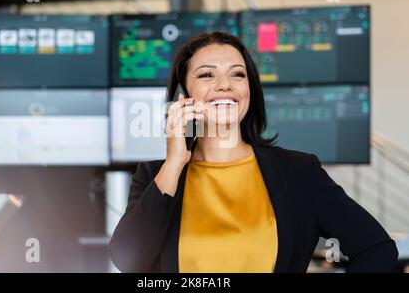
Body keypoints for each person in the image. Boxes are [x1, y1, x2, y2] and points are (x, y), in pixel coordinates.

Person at [109, 32, 398, 273]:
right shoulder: (155, 176)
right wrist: (174, 162)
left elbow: (377, 249)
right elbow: (126, 259)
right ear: (182, 95)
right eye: (207, 74)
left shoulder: (298, 172)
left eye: (237, 74)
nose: (225, 85)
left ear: (250, 88)